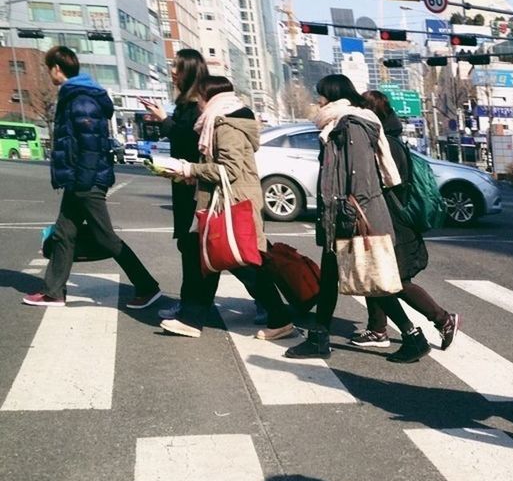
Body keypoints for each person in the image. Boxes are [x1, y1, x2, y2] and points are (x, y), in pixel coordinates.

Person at [23, 46, 161, 309]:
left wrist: (83, 181)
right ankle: (54, 292)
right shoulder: (75, 95)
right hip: (79, 181)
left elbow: (90, 145)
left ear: (56, 68)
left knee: (105, 237)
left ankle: (147, 286)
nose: (48, 73)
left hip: (85, 181)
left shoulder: (81, 99)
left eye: (48, 68)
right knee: (64, 234)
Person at [159, 76, 293, 340]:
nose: (197, 105)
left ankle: (280, 318)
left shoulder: (225, 125)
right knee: (207, 259)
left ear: (209, 98)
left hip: (231, 204)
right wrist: (191, 174)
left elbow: (229, 170)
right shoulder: (220, 121)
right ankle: (192, 319)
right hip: (222, 203)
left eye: (198, 99)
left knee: (244, 265)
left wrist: (189, 168)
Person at [284, 75, 402, 359]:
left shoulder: (352, 125)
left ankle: (413, 333)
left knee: (374, 282)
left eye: (321, 95)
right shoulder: (339, 124)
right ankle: (319, 337)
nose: (318, 101)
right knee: (337, 281)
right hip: (341, 215)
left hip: (351, 217)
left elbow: (358, 178)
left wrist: (346, 218)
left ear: (334, 95)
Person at [344, 89, 461, 363]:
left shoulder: (386, 144)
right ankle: (377, 329)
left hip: (393, 222)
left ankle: (442, 318)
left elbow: (385, 185)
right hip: (387, 220)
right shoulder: (386, 138)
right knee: (374, 277)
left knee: (394, 281)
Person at [142, 49, 208, 322]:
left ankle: (191, 306)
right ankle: (192, 303)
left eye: (177, 68)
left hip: (194, 185)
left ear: (189, 72)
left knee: (198, 247)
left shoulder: (197, 106)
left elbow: (191, 144)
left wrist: (164, 121)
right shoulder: (186, 103)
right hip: (184, 184)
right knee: (193, 247)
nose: (172, 72)